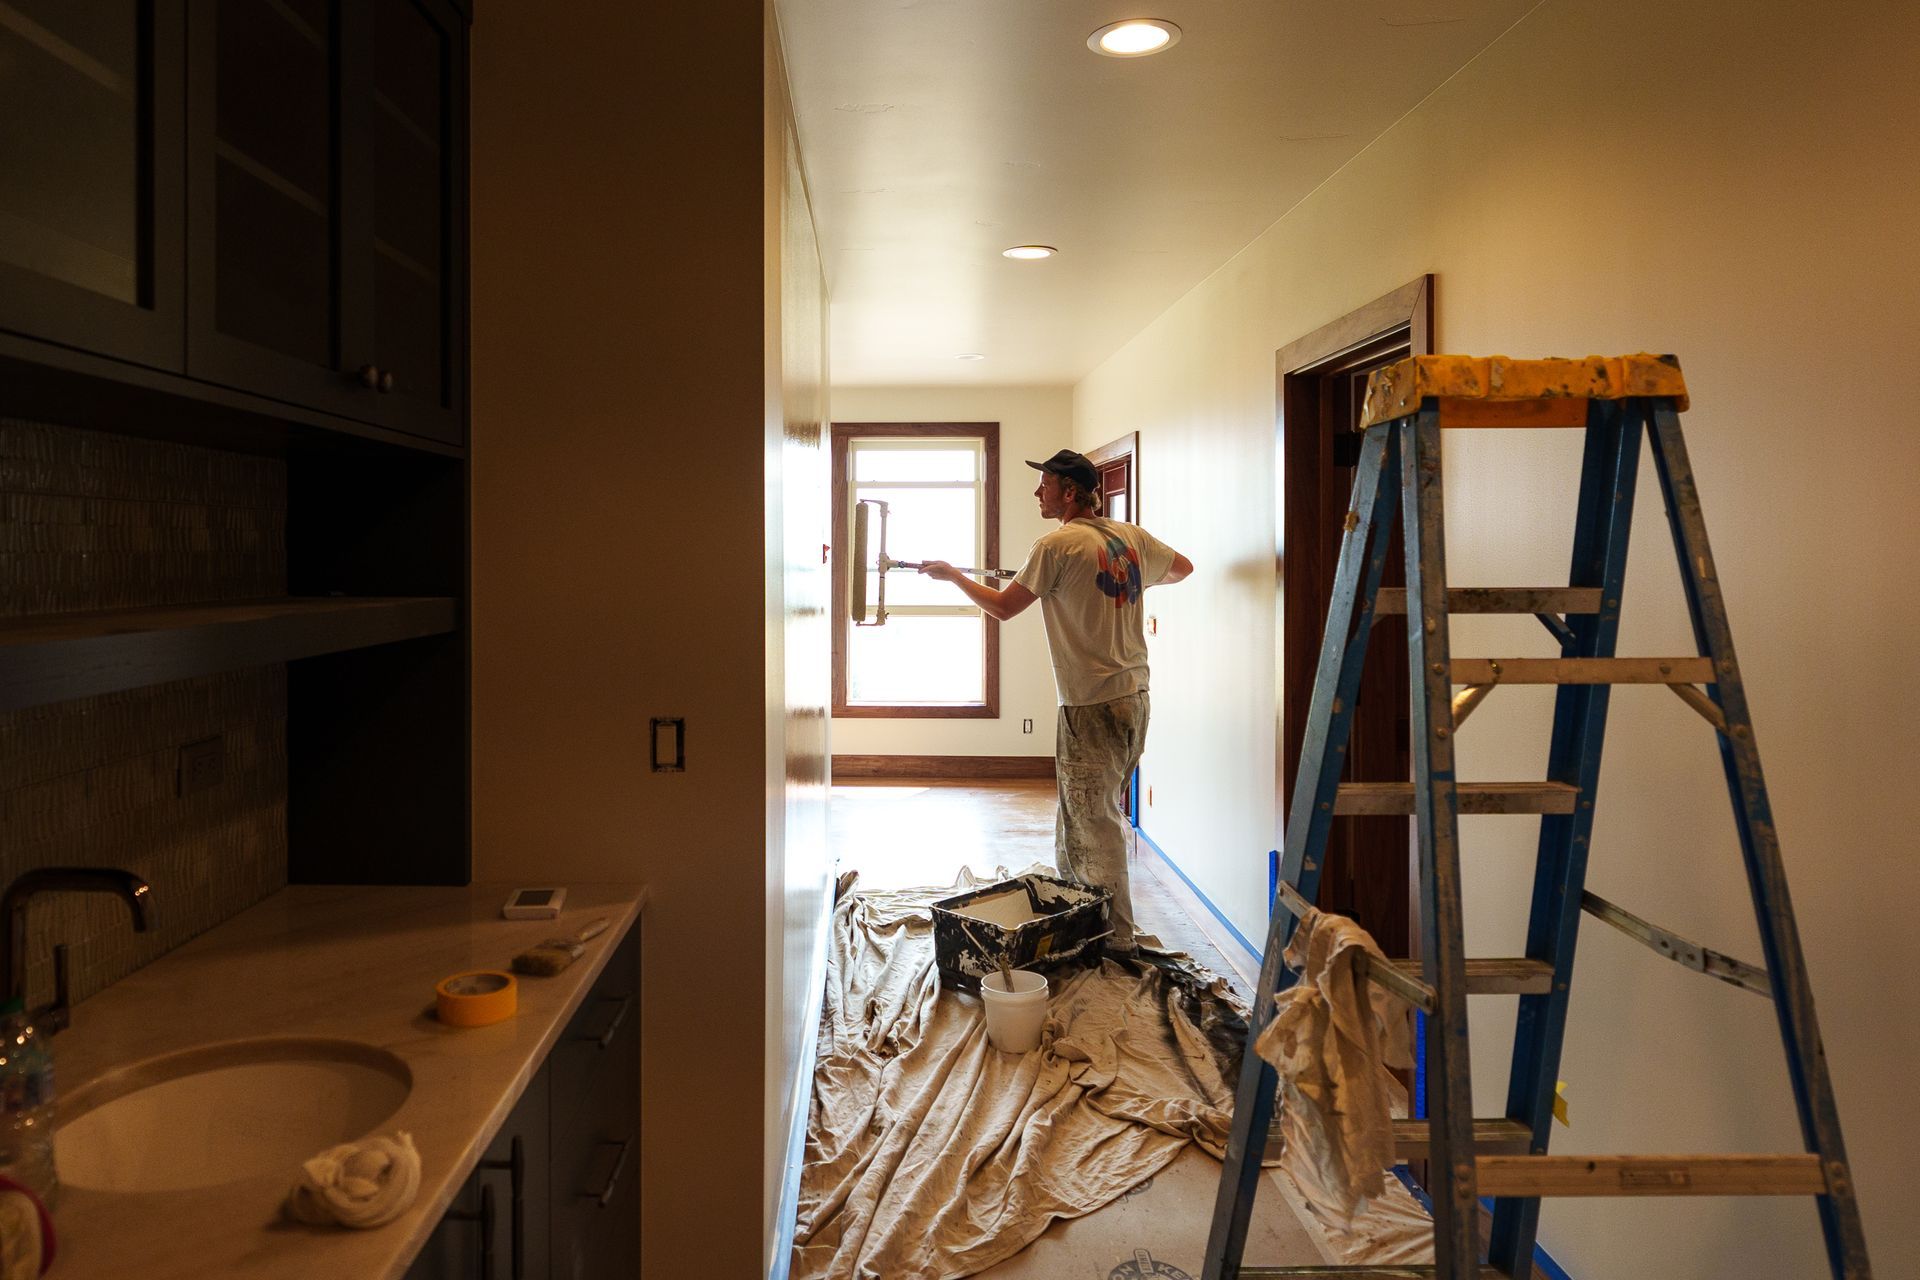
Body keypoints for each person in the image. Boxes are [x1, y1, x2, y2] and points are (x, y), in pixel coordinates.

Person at [918, 448, 1193, 954]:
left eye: (1044, 484)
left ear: (1069, 491)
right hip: (1135, 697)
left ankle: (1117, 940)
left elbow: (1002, 610)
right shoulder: (1128, 536)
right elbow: (1181, 569)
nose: (1037, 492)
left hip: (1090, 703)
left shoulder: (1057, 544)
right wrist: (1123, 575)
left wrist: (955, 576)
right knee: (1084, 814)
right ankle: (1080, 916)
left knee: (1096, 822)